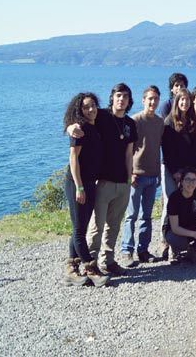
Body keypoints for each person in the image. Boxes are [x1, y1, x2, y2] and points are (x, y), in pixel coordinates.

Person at [85, 83, 137, 276]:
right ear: (112, 98)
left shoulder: (130, 124)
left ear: (129, 100)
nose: (121, 99)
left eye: (125, 96)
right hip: (103, 181)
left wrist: (129, 177)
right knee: (96, 225)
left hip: (122, 183)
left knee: (114, 225)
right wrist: (72, 125)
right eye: (118, 96)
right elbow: (83, 116)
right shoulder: (102, 116)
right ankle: (90, 263)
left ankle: (108, 260)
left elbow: (129, 153)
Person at [62, 92, 109, 287]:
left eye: (93, 106)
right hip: (77, 183)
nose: (91, 110)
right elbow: (73, 159)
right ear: (79, 110)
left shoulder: (94, 126)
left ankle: (72, 269)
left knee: (79, 227)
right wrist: (79, 186)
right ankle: (91, 269)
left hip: (90, 183)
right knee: (80, 230)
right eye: (86, 107)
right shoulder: (79, 129)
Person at [120, 85, 164, 266]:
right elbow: (127, 149)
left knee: (147, 215)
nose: (153, 102)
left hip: (152, 175)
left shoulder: (160, 122)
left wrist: (159, 172)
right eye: (150, 99)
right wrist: (129, 172)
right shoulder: (135, 120)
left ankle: (143, 250)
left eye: (156, 99)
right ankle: (126, 250)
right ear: (143, 100)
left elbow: (158, 147)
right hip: (136, 175)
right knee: (131, 215)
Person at [161, 88, 196, 240]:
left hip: (189, 171)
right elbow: (167, 150)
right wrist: (175, 171)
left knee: (189, 203)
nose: (185, 103)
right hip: (173, 170)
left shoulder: (193, 122)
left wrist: (193, 171)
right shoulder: (169, 122)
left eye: (187, 100)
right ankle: (166, 239)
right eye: (182, 100)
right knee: (171, 203)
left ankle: (185, 237)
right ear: (176, 102)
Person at [163, 167, 196, 263]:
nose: (191, 183)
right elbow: (175, 227)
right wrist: (194, 234)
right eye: (188, 179)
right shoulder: (174, 198)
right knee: (179, 241)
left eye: (194, 180)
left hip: (191, 227)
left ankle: (193, 249)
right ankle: (177, 250)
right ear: (182, 181)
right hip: (174, 231)